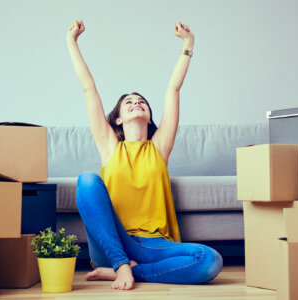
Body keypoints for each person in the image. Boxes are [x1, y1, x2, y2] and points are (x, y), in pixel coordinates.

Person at [66, 19, 223, 291]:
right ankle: (120, 264)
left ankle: (131, 272)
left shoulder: (159, 147)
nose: (137, 103)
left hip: (154, 245)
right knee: (87, 181)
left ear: (149, 117)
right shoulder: (109, 146)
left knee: (209, 260)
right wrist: (72, 42)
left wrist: (188, 45)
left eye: (141, 102)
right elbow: (88, 88)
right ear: (117, 120)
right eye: (129, 102)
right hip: (114, 241)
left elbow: (173, 89)